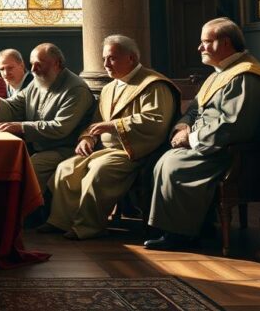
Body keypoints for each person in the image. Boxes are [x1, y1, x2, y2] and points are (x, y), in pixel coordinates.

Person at [146, 18, 260, 250]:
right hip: (209, 144)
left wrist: (191, 138)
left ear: (225, 43)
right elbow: (194, 108)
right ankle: (193, 226)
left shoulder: (246, 76)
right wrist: (183, 126)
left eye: (205, 42)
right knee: (162, 160)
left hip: (227, 153)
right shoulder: (218, 74)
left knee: (174, 165)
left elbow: (235, 125)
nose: (199, 48)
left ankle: (180, 235)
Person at [42, 35, 178, 240]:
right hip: (107, 150)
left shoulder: (153, 84)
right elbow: (96, 121)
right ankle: (60, 221)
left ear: (131, 58)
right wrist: (87, 138)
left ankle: (88, 227)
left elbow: (155, 121)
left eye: (112, 58)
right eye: (104, 58)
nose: (105, 64)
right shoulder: (109, 88)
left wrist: (114, 125)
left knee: (98, 171)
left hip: (134, 151)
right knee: (66, 168)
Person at [0, 43, 95, 189]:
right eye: (32, 64)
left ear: (57, 63)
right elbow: (14, 106)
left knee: (29, 168)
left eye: (39, 64)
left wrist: (22, 127)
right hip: (38, 146)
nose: (33, 70)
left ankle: (32, 211)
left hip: (66, 149)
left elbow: (60, 128)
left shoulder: (76, 89)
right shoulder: (37, 82)